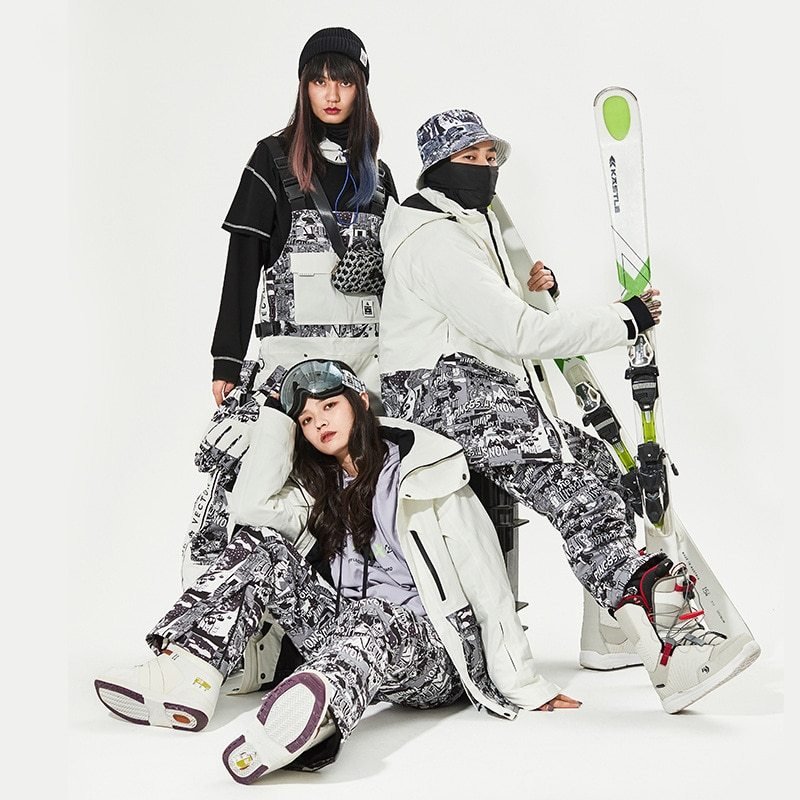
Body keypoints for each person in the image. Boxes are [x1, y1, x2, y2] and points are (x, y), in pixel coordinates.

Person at [377, 108, 759, 714]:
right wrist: (625, 319)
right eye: (468, 159)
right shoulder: (433, 240)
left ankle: (609, 633)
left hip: (475, 385)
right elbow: (516, 333)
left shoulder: (465, 223)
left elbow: (491, 317)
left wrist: (531, 288)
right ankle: (671, 647)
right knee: (574, 489)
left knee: (602, 468)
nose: (484, 169)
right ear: (436, 168)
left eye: (489, 158)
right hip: (440, 392)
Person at [94, 360, 578, 783]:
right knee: (262, 547)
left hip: (433, 651)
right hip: (348, 636)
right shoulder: (317, 488)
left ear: (360, 402)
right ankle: (190, 671)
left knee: (377, 618)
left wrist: (523, 684)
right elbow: (251, 509)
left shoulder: (423, 472)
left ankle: (310, 718)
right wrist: (276, 416)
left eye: (329, 406)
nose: (319, 422)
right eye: (306, 419)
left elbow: (487, 579)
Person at [184, 27, 398, 585]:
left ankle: (368, 598)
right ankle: (263, 590)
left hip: (366, 368)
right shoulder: (272, 160)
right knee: (260, 487)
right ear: (303, 88)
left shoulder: (379, 178)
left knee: (373, 494)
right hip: (292, 368)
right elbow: (242, 262)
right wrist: (227, 359)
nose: (331, 94)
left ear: (361, 88)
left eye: (344, 82)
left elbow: (408, 281)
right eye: (319, 82)